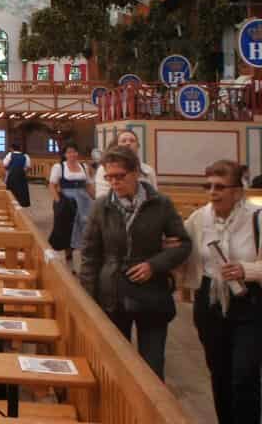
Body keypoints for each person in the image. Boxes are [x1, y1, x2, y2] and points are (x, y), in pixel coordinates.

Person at [79, 146, 190, 379]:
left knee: (152, 366)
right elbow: (90, 256)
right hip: (113, 292)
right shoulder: (101, 207)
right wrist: (88, 300)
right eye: (109, 177)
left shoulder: (160, 204)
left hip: (151, 292)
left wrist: (154, 265)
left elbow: (182, 244)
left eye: (120, 176)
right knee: (116, 366)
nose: (115, 183)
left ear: (136, 172)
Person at [180, 160, 262, 424]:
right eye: (208, 186)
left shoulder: (257, 218)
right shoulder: (199, 218)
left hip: (250, 302)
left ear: (238, 191)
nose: (212, 192)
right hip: (210, 301)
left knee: (245, 374)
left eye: (219, 187)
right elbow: (183, 251)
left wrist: (246, 269)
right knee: (220, 373)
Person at [48, 143, 94, 262]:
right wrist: (58, 201)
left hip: (83, 200)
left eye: (74, 151)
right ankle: (69, 253)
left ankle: (84, 253)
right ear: (65, 154)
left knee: (85, 225)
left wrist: (95, 199)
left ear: (77, 153)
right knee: (68, 227)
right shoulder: (59, 167)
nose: (72, 154)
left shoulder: (84, 166)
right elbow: (52, 185)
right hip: (67, 201)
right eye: (69, 152)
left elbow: (88, 185)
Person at [94, 130, 157, 197]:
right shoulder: (104, 169)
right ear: (116, 145)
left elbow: (154, 195)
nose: (128, 143)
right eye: (123, 141)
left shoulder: (148, 170)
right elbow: (102, 196)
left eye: (132, 141)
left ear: (138, 146)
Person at [2, 142, 31, 207]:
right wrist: (24, 172)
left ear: (11, 148)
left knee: (11, 189)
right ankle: (22, 203)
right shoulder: (25, 156)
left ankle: (11, 203)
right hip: (21, 174)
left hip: (12, 174)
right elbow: (28, 166)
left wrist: (8, 169)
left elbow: (4, 164)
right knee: (21, 189)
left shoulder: (10, 154)